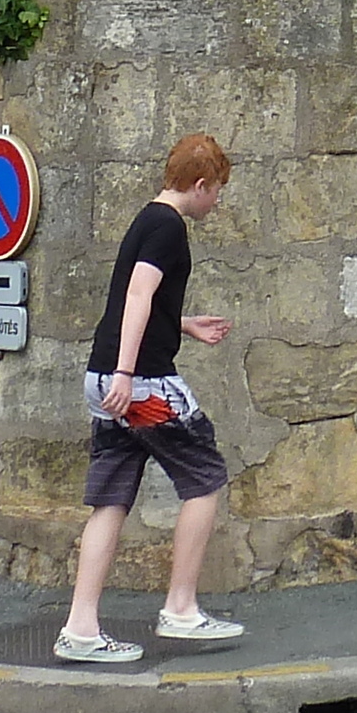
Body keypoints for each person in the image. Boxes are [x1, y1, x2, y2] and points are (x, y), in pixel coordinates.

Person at [55, 134, 241, 665]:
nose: (218, 202)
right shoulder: (169, 228)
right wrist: (128, 372)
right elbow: (137, 294)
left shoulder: (145, 218)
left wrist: (182, 324)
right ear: (199, 186)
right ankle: (181, 608)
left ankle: (81, 629)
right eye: (218, 192)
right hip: (139, 385)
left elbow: (133, 302)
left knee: (110, 501)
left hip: (106, 381)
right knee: (205, 478)